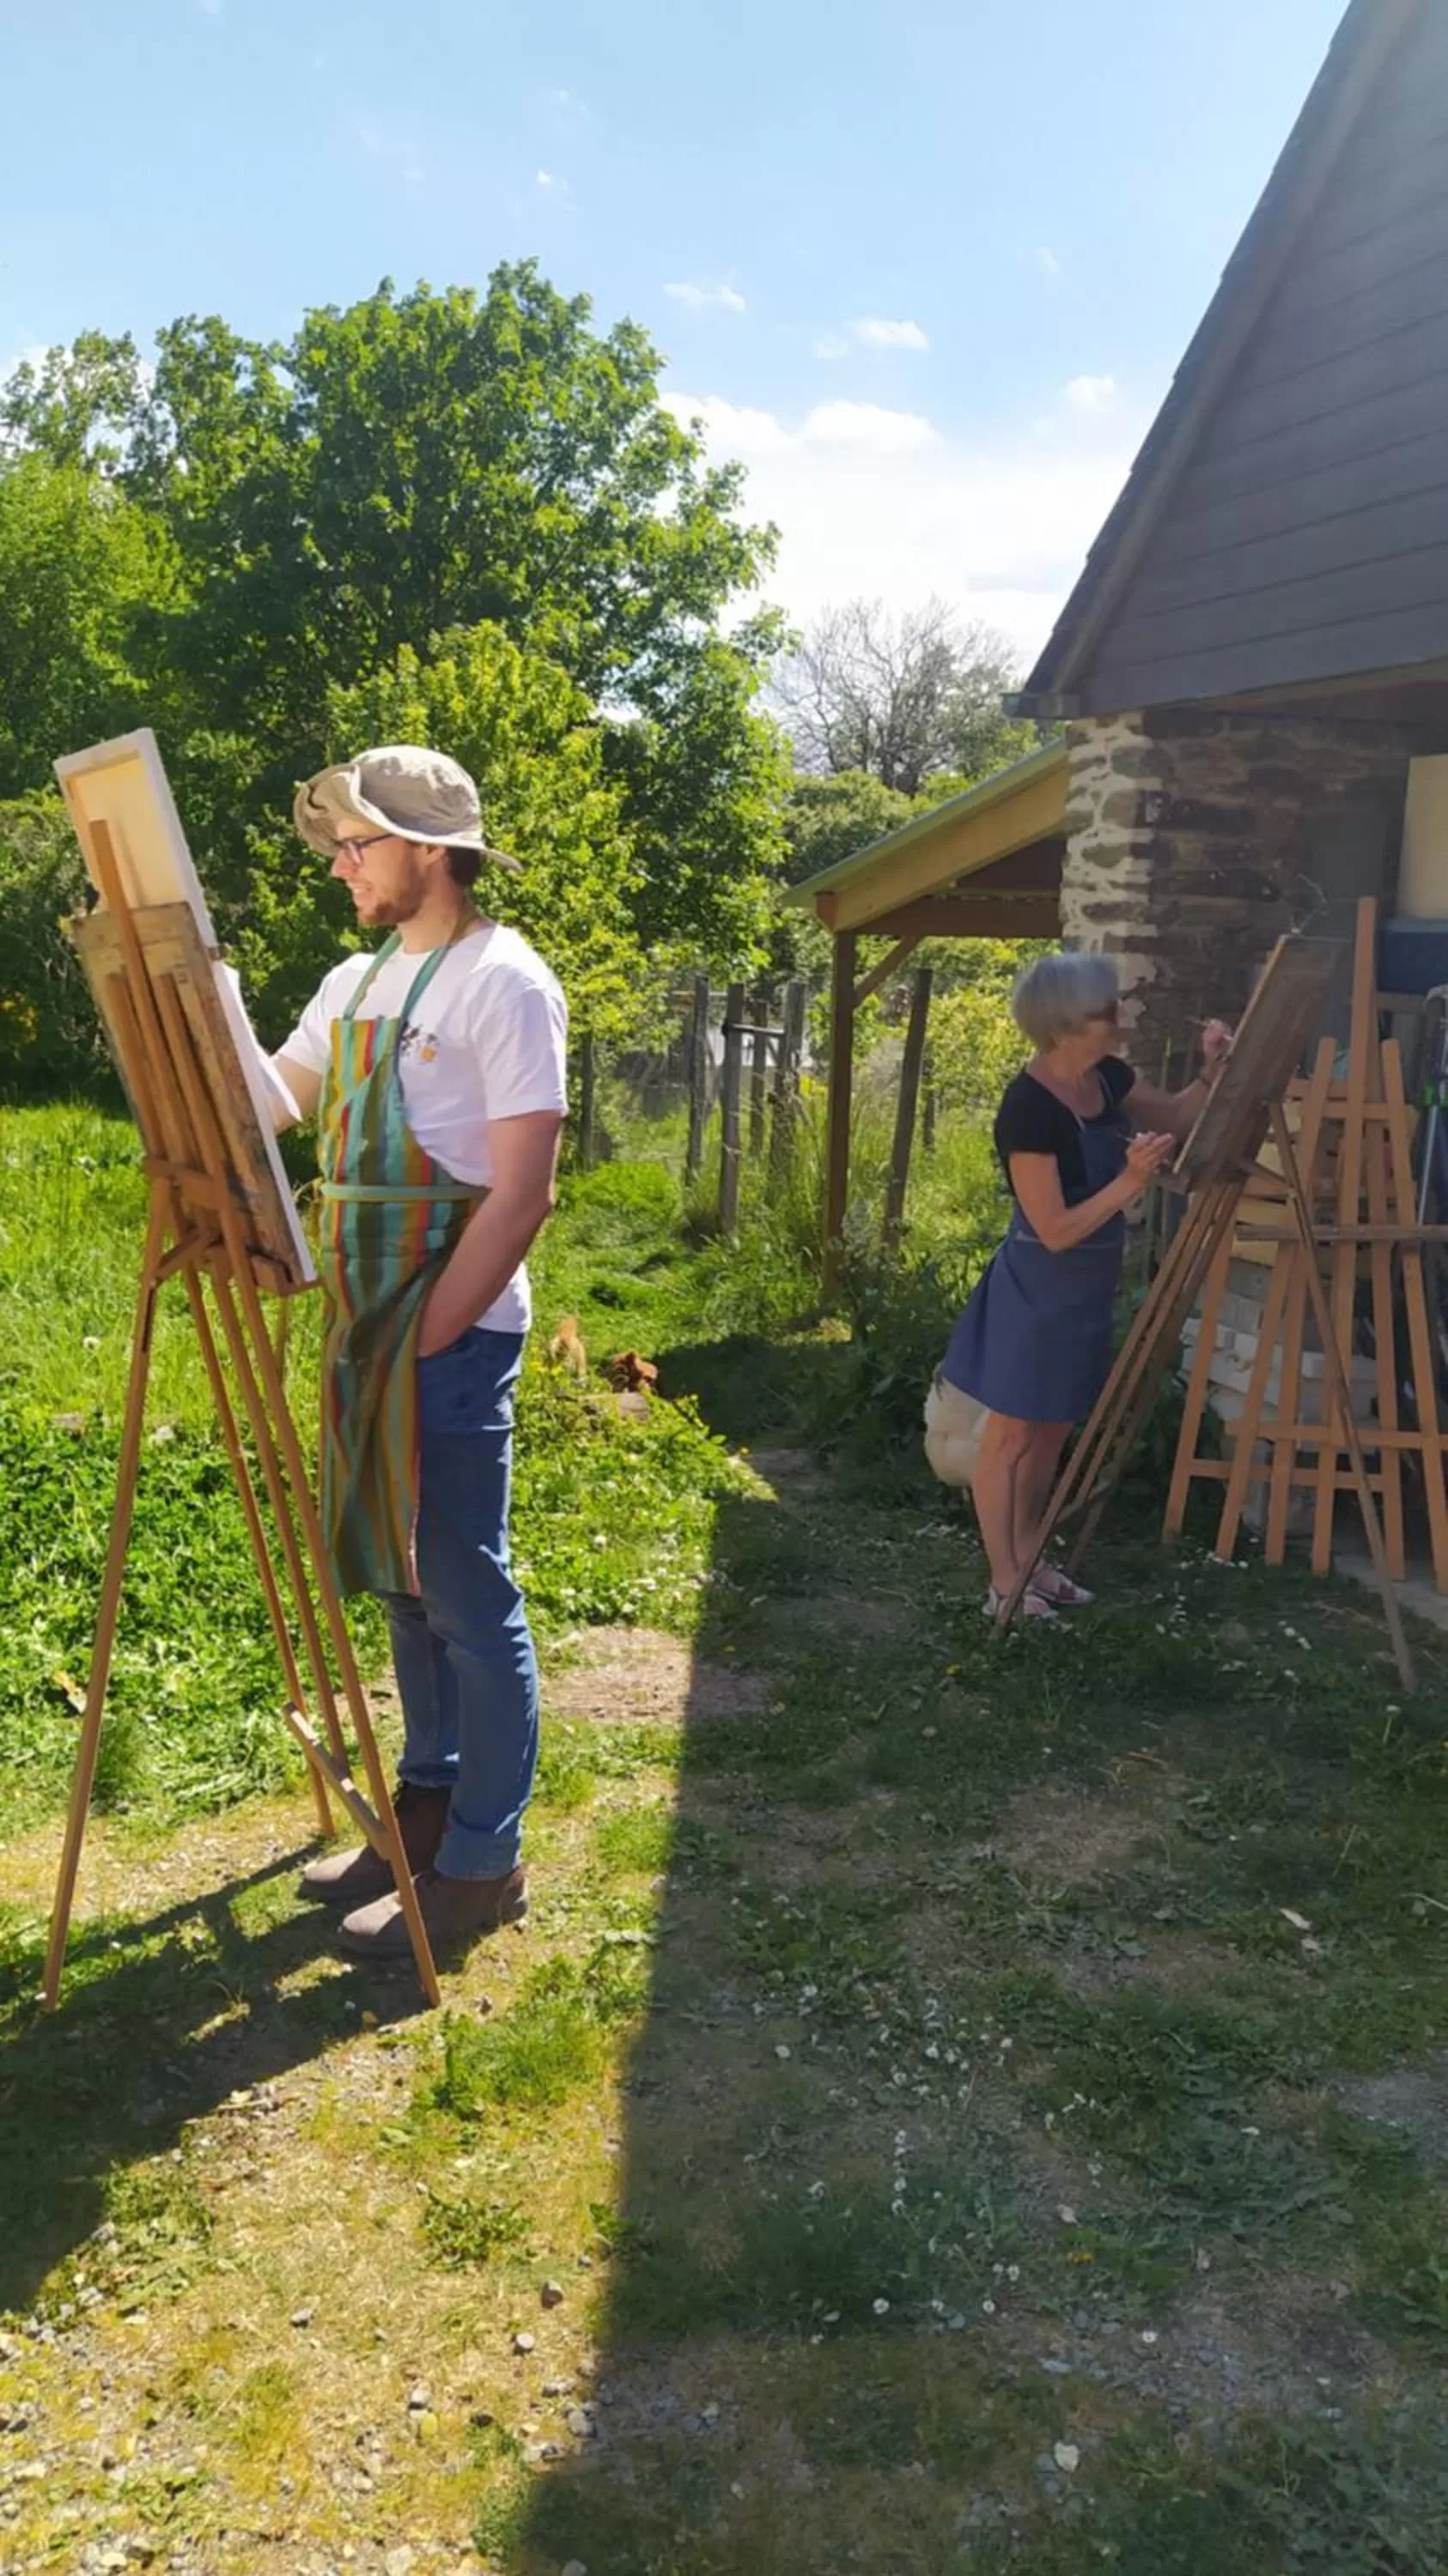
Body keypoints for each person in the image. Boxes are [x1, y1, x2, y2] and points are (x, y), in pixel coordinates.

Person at [268, 744, 567, 1960]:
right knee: (399, 1580)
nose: (342, 867)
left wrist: (431, 1335)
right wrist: (179, 1014)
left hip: (445, 1333)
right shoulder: (356, 978)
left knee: (462, 1589)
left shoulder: (504, 982)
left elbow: (523, 1192)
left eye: (359, 845)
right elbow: (273, 1099)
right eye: (339, 846)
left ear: (427, 852)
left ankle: (484, 1863)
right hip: (361, 1329)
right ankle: (429, 1805)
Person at [935, 951, 1231, 1620]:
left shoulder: (1105, 1079)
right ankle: (1003, 1582)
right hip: (1038, 1289)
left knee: (1050, 1433)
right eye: (1105, 1013)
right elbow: (1056, 1227)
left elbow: (1180, 1117)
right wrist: (1128, 1184)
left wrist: (1212, 1072)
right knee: (1010, 1438)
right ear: (1065, 1024)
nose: (1118, 1023)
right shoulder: (1029, 1109)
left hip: (1085, 1291)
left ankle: (1031, 1556)